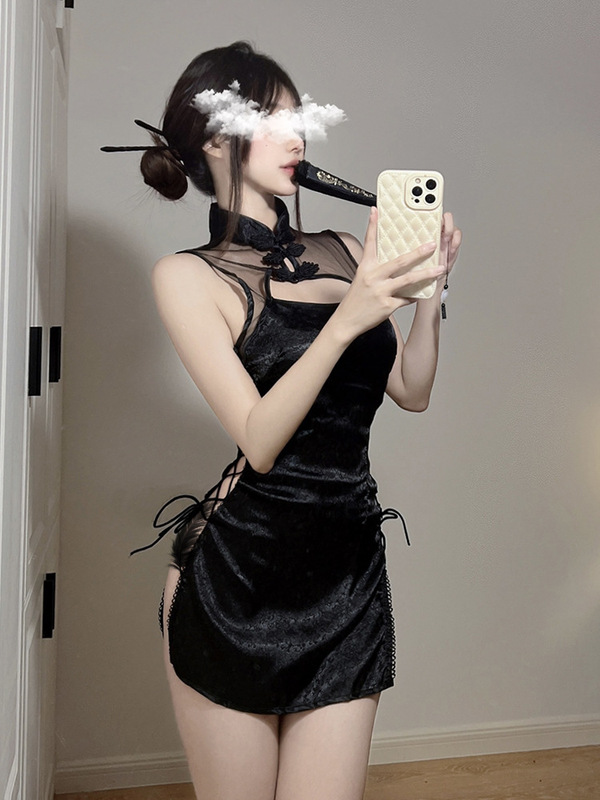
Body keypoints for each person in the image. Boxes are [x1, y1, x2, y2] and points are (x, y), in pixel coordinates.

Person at [134, 40, 461, 800]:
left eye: (299, 117)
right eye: (273, 119)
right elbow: (258, 440)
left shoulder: (345, 250)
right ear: (216, 140)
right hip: (239, 578)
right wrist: (350, 316)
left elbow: (411, 390)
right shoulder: (187, 276)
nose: (298, 136)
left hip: (346, 574)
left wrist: (429, 296)